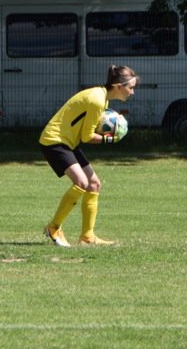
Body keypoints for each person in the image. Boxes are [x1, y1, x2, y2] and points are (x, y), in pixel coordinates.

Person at [40, 65, 139, 247]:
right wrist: (110, 139)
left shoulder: (102, 98)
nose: (132, 92)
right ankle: (53, 227)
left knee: (94, 184)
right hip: (54, 140)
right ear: (118, 85)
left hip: (68, 142)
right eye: (130, 87)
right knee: (81, 183)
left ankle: (87, 236)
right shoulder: (97, 100)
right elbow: (87, 136)